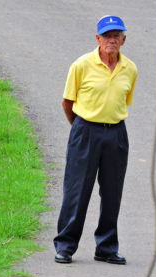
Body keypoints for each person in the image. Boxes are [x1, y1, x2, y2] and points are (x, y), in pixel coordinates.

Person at [53, 15, 137, 264]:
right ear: (97, 39)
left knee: (112, 192)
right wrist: (81, 128)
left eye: (116, 36)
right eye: (107, 36)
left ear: (123, 40)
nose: (112, 40)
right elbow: (67, 102)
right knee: (77, 190)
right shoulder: (81, 65)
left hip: (116, 133)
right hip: (85, 131)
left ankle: (107, 247)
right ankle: (66, 245)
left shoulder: (130, 68)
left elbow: (123, 101)